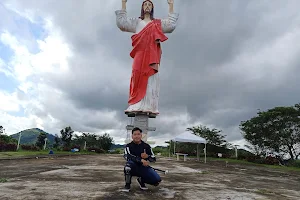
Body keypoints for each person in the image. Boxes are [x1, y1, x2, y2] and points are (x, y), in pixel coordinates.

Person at [115, 0, 179, 116]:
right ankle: (135, 103)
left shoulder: (157, 23)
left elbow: (171, 25)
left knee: (151, 78)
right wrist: (123, 3)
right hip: (139, 53)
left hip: (152, 55)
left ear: (152, 8)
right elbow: (122, 24)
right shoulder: (137, 22)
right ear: (142, 7)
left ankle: (150, 105)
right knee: (136, 74)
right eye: (145, 4)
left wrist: (171, 5)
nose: (147, 6)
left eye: (150, 5)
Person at [123, 127, 161, 191]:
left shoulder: (147, 146)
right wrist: (140, 160)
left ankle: (141, 180)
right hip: (133, 167)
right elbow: (127, 156)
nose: (137, 136)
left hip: (143, 168)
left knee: (156, 180)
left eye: (138, 134)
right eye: (135, 134)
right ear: (132, 136)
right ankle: (127, 184)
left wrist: (147, 157)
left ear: (141, 135)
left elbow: (153, 159)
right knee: (128, 167)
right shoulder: (128, 146)